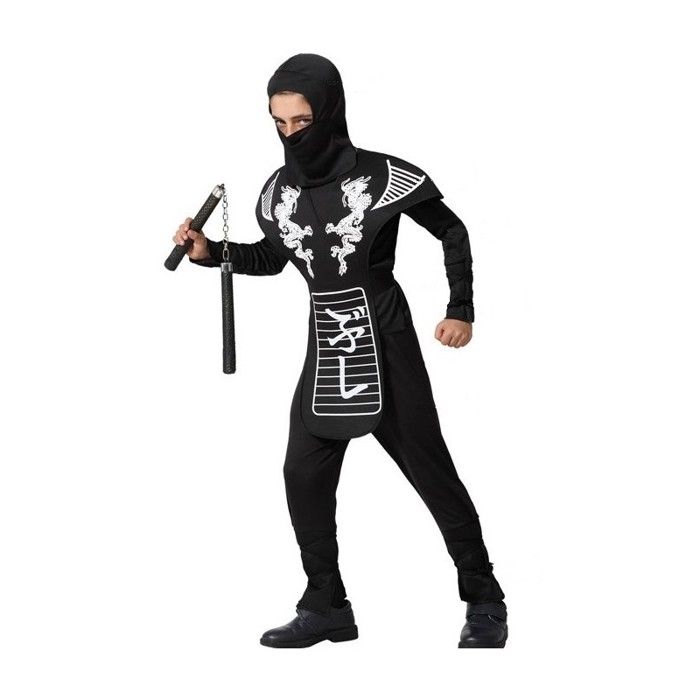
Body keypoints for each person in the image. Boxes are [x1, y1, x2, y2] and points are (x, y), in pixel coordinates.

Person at [172, 53, 508, 648]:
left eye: (302, 121)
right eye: (279, 122)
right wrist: (210, 253)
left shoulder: (385, 177)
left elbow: (451, 230)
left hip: (385, 338)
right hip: (327, 343)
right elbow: (273, 258)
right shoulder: (278, 192)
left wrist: (460, 309)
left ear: (329, 111)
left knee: (431, 472)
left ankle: (484, 599)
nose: (291, 133)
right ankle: (326, 605)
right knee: (302, 474)